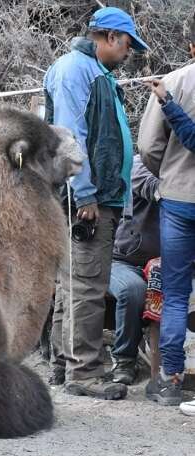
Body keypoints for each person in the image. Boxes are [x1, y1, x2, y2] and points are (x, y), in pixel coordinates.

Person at [44, 6, 148, 400]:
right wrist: (84, 192)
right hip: (86, 199)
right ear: (108, 38)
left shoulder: (95, 72)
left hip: (96, 195)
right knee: (86, 285)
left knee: (72, 283)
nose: (127, 53)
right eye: (125, 45)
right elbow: (70, 134)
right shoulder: (76, 70)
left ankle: (61, 365)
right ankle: (84, 373)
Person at [138, 12, 195, 406]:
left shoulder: (171, 83)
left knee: (175, 293)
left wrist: (169, 176)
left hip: (178, 201)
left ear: (190, 45)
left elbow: (148, 148)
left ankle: (171, 378)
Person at [109, 156, 160, 385]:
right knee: (133, 290)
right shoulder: (138, 164)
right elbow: (152, 188)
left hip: (168, 264)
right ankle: (124, 360)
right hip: (124, 261)